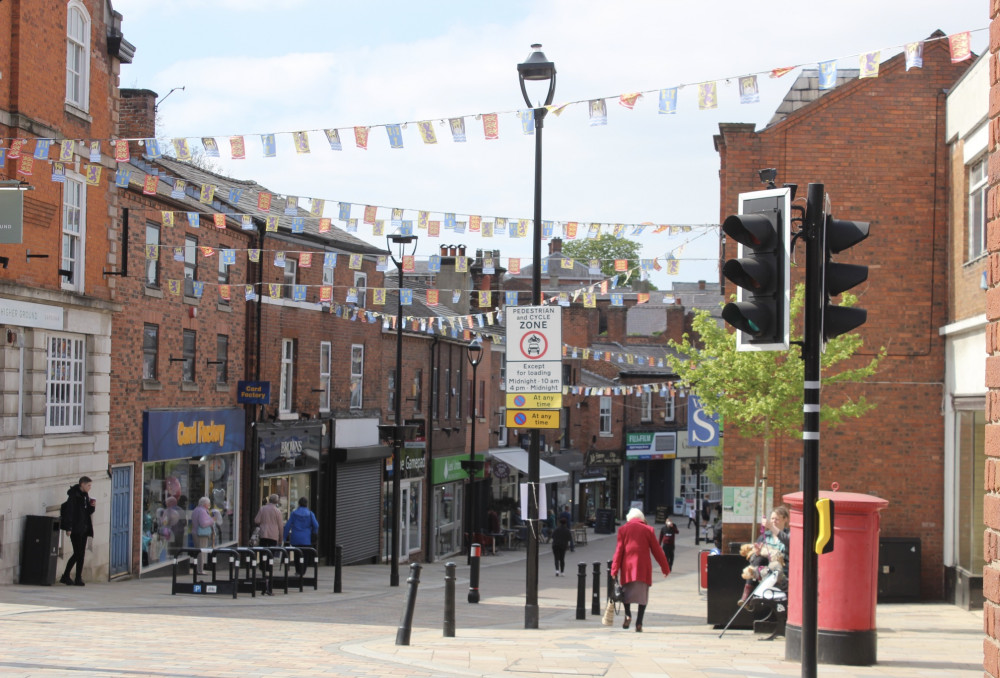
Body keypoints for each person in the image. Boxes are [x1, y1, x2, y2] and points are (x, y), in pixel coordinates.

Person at [611, 507, 670, 633]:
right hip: (643, 568)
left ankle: (628, 615)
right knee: (643, 597)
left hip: (628, 567)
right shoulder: (648, 530)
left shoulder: (623, 530)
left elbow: (619, 551)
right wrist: (665, 568)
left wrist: (614, 570)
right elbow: (657, 551)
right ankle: (639, 622)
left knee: (626, 594)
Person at [738, 505, 791, 605]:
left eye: (777, 519)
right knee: (758, 558)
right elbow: (752, 560)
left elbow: (788, 541)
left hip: (781, 570)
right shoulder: (764, 536)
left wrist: (771, 526)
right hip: (764, 569)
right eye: (772, 519)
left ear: (785, 519)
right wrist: (756, 553)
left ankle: (748, 598)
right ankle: (746, 597)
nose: (774, 521)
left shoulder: (789, 534)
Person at [60, 476, 95, 586]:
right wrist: (69, 528)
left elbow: (86, 512)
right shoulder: (74, 496)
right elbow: (69, 513)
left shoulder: (85, 496)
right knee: (77, 553)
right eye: (88, 485)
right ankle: (65, 575)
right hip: (75, 529)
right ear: (82, 484)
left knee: (81, 554)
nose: (90, 488)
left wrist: (92, 506)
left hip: (84, 528)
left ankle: (78, 577)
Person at [284, 497, 319, 575]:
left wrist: (284, 537)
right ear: (307, 504)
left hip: (295, 538)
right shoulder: (310, 514)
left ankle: (297, 571)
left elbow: (287, 526)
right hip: (306, 538)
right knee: (305, 556)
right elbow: (316, 525)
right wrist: (314, 532)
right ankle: (303, 571)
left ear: (299, 504)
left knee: (297, 555)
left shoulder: (294, 513)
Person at [190, 497, 215, 575]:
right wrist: (212, 520)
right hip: (201, 534)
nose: (209, 505)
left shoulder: (196, 510)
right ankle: (200, 570)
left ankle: (198, 569)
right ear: (205, 504)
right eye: (208, 503)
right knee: (202, 552)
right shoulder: (202, 511)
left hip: (195, 533)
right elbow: (203, 523)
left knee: (198, 551)